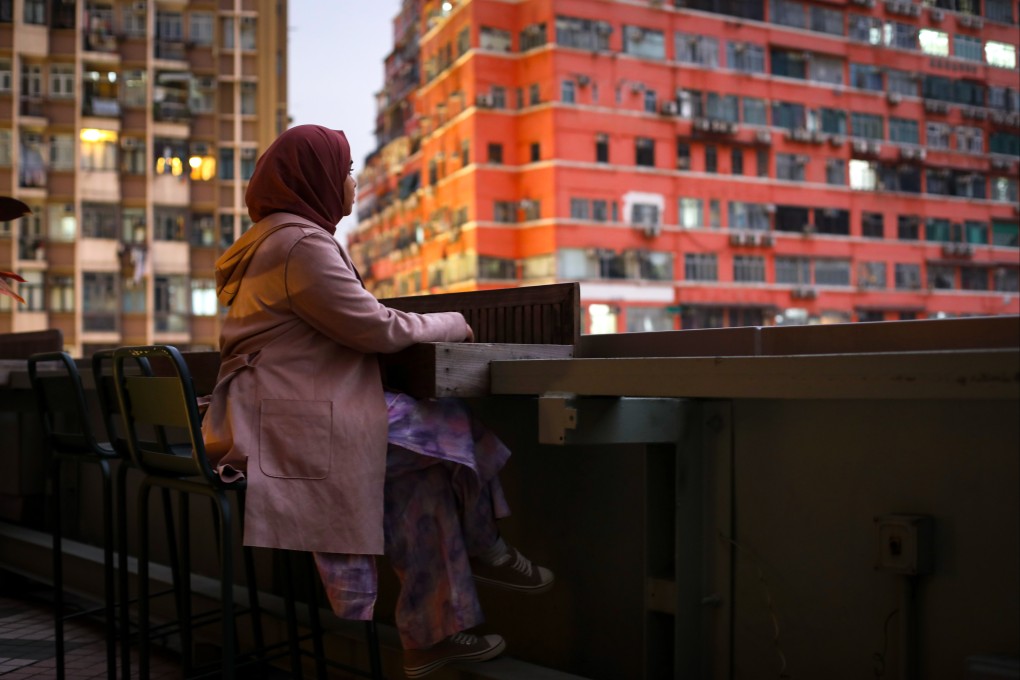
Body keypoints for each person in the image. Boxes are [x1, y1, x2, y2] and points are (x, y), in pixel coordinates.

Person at [200, 125, 553, 678]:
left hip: (272, 414)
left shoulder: (268, 242)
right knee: (446, 423)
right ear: (315, 180)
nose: (353, 184)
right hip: (292, 425)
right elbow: (376, 328)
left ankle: (432, 637)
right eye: (343, 172)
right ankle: (482, 550)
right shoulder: (300, 245)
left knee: (424, 476)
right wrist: (454, 323)